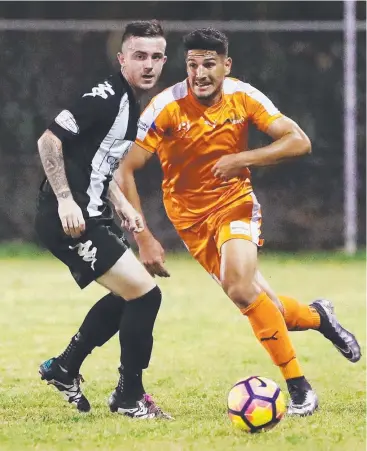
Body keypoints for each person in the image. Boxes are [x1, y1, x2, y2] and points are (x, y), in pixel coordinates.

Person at [51, 28, 361, 418]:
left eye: (209, 64)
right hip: (191, 223)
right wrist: (142, 237)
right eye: (193, 64)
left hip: (235, 205)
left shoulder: (243, 96)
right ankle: (319, 316)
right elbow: (125, 169)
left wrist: (242, 159)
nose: (199, 73)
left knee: (239, 287)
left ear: (226, 66)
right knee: (263, 303)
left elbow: (298, 141)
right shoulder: (165, 106)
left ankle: (299, 388)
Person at [35, 20, 172, 419]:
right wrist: (64, 200)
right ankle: (129, 397)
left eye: (156, 57)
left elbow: (99, 160)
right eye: (139, 56)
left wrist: (122, 204)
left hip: (94, 213)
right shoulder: (106, 97)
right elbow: (49, 140)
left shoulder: (130, 101)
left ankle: (65, 367)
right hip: (72, 220)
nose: (148, 64)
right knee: (146, 296)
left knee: (130, 296)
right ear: (122, 58)